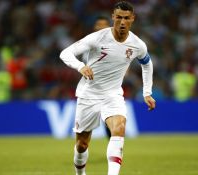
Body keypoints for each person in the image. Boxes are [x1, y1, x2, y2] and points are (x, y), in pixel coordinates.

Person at [60, 1, 156, 175]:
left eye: (126, 18)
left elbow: (147, 64)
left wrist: (147, 93)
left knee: (119, 127)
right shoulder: (97, 37)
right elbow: (65, 53)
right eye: (118, 17)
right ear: (113, 17)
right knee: (82, 145)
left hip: (113, 95)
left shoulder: (138, 45)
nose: (122, 22)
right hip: (89, 94)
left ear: (132, 19)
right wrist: (80, 66)